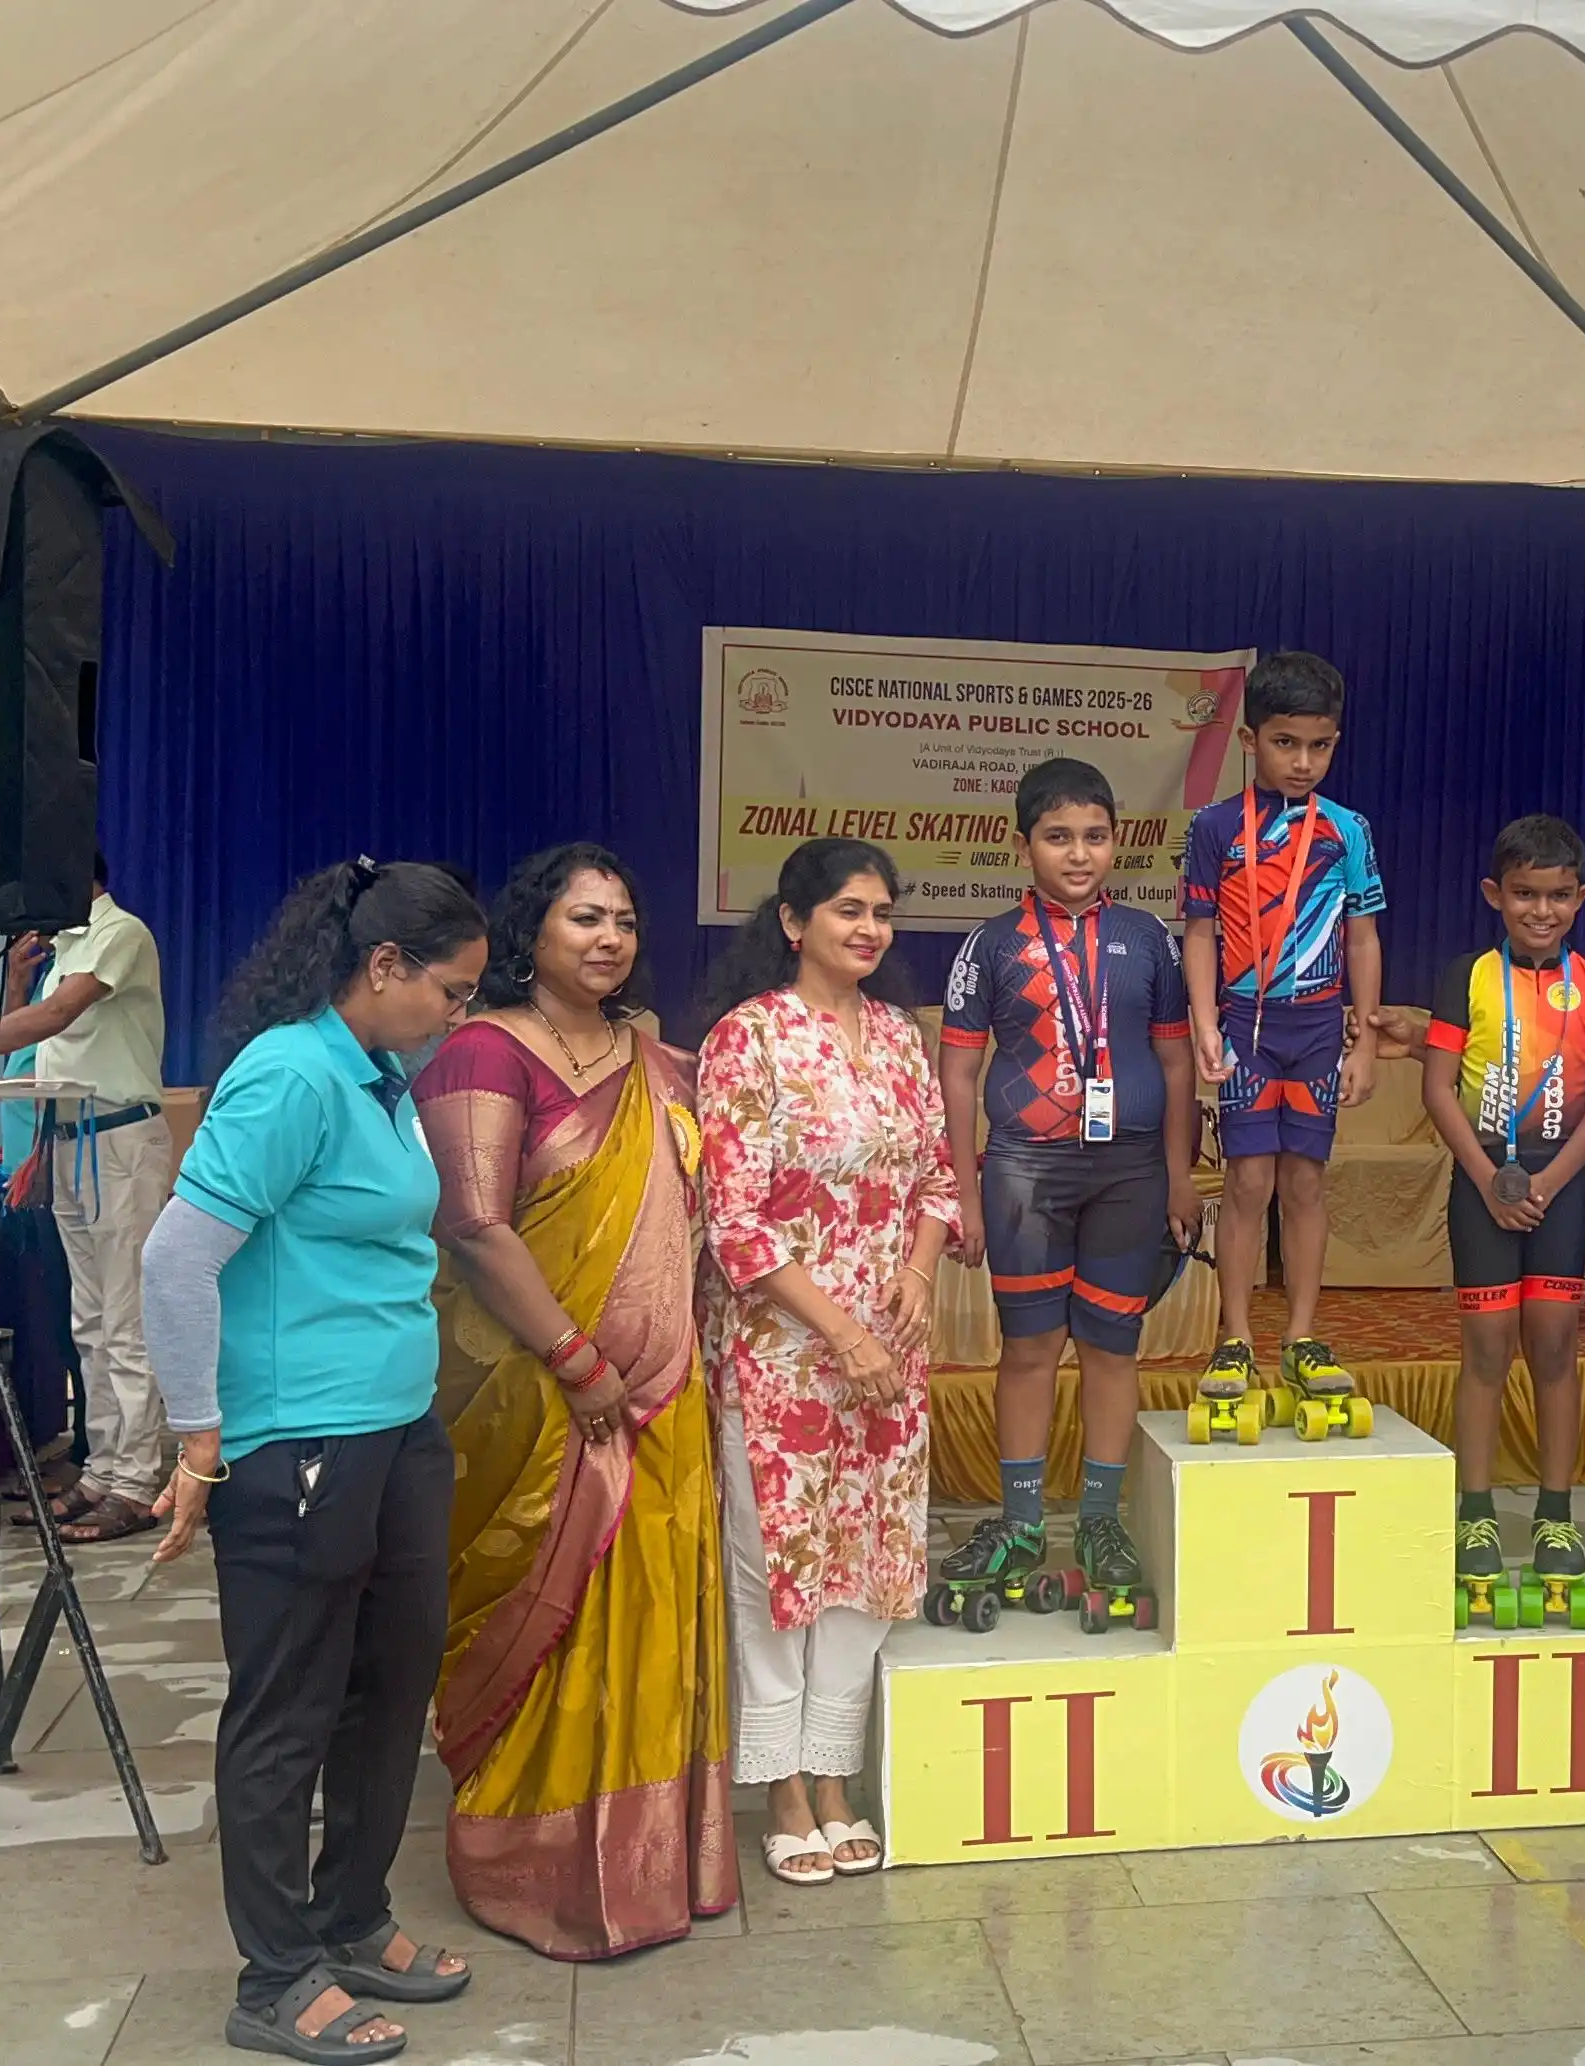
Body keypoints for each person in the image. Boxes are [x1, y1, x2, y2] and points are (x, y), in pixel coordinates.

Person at [142, 859, 486, 2065]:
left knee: (390, 1682)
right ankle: (274, 1972)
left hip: (394, 1427)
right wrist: (199, 1435)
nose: (460, 1015)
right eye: (451, 989)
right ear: (382, 967)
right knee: (286, 1705)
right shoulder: (289, 1074)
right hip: (298, 1438)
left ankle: (352, 1914)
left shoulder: (380, 1070)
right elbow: (176, 1261)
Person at [414, 844, 736, 1959]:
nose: (608, 937)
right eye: (585, 917)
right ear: (533, 934)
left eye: (626, 920)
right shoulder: (481, 1052)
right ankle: (531, 1848)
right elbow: (472, 1223)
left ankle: (651, 1856)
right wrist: (574, 1358)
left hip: (666, 1398)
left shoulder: (658, 1061)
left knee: (652, 1609)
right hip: (541, 1396)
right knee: (543, 1606)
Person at [696, 838, 961, 1886]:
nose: (869, 928)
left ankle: (836, 1772)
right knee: (780, 1565)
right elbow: (738, 1223)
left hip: (890, 1352)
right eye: (848, 909)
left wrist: (920, 1272)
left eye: (883, 912)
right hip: (785, 1355)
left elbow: (940, 1175)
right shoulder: (747, 1040)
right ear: (794, 921)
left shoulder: (899, 1036)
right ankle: (781, 1785)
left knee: (871, 1560)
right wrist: (840, 1329)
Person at [937, 760, 1198, 1618]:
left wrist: (1183, 1174)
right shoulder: (991, 945)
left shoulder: (1150, 937)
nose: (1078, 854)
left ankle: (1097, 1523)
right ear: (1022, 846)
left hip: (1129, 1171)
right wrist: (966, 1192)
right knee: (1029, 1349)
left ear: (1117, 840)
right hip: (1024, 1174)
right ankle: (1019, 1524)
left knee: (1113, 1348)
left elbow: (1174, 1059)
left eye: (1094, 836)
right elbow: (961, 1073)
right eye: (1057, 837)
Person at [0, 859, 172, 1545]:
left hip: (118, 1140)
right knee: (89, 1319)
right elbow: (49, 1043)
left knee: (125, 1316)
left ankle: (139, 1480)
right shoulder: (65, 948)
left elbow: (57, 1018)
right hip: (72, 1139)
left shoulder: (121, 933)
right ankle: (105, 1468)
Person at [1418, 814, 1585, 1614]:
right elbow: (1439, 1088)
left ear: (1579, 898)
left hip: (1560, 1184)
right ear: (1493, 896)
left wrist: (1547, 1183)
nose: (1541, 911)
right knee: (1484, 1348)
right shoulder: (1464, 975)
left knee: (1553, 1346)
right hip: (1483, 1183)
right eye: (1524, 895)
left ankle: (1555, 1515)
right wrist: (1487, 1180)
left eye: (1557, 896)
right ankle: (1475, 1512)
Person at [1178, 650, 1384, 1426]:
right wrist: (1206, 1023)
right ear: (1250, 740)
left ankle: (1300, 1337)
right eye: (1286, 743)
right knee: (1247, 1183)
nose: (1303, 761)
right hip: (1246, 1029)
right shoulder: (1216, 827)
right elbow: (1199, 932)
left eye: (1320, 745)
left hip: (1318, 1029)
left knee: (1304, 1184)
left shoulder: (1348, 830)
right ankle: (1234, 1338)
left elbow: (1363, 937)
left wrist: (1363, 1040)